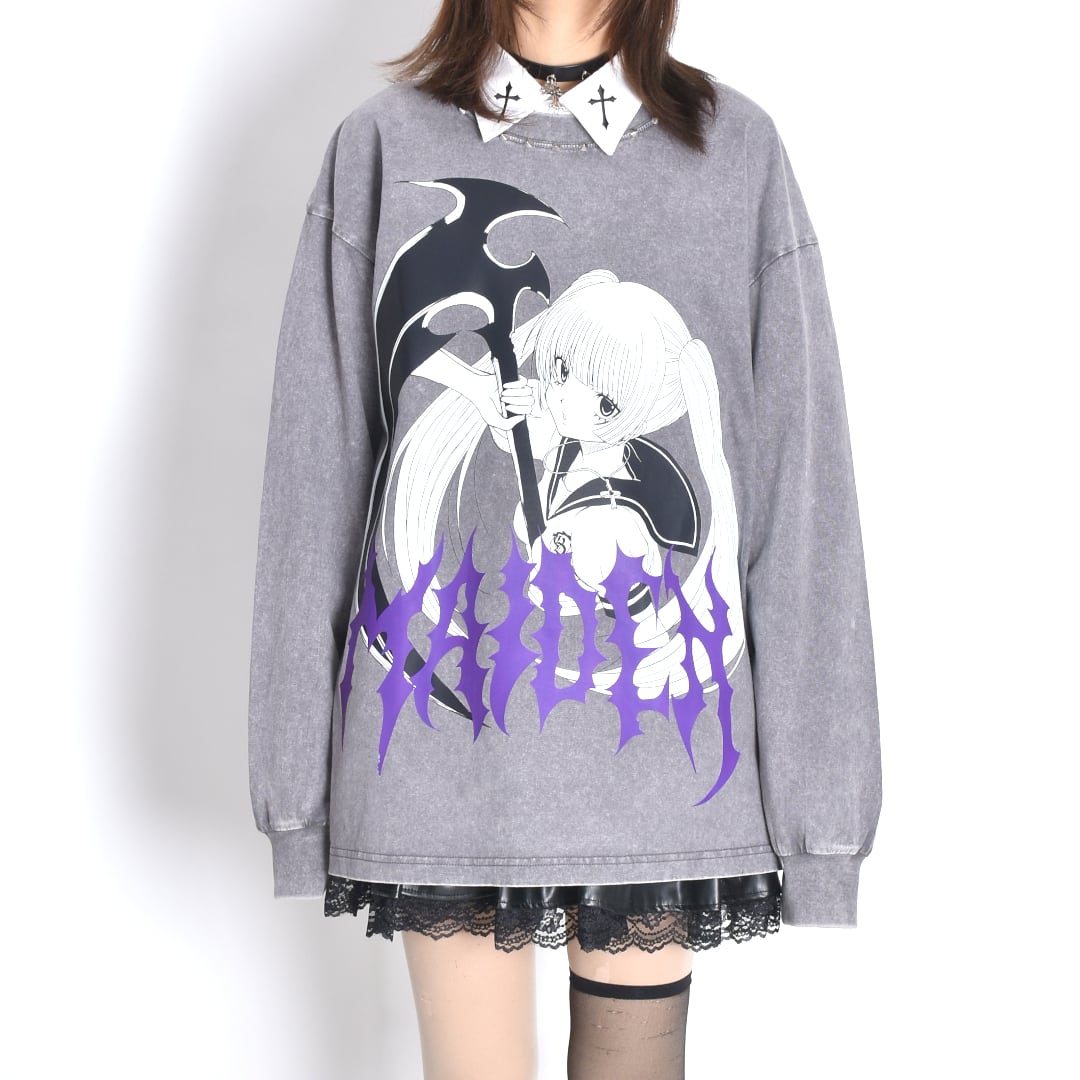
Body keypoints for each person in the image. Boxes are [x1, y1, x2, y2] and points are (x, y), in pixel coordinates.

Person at [247, 1, 883, 1077]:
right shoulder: (384, 145)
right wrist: (294, 794)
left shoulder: (733, 154)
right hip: (445, 759)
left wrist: (826, 818)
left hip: (658, 758)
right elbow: (313, 483)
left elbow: (800, 491)